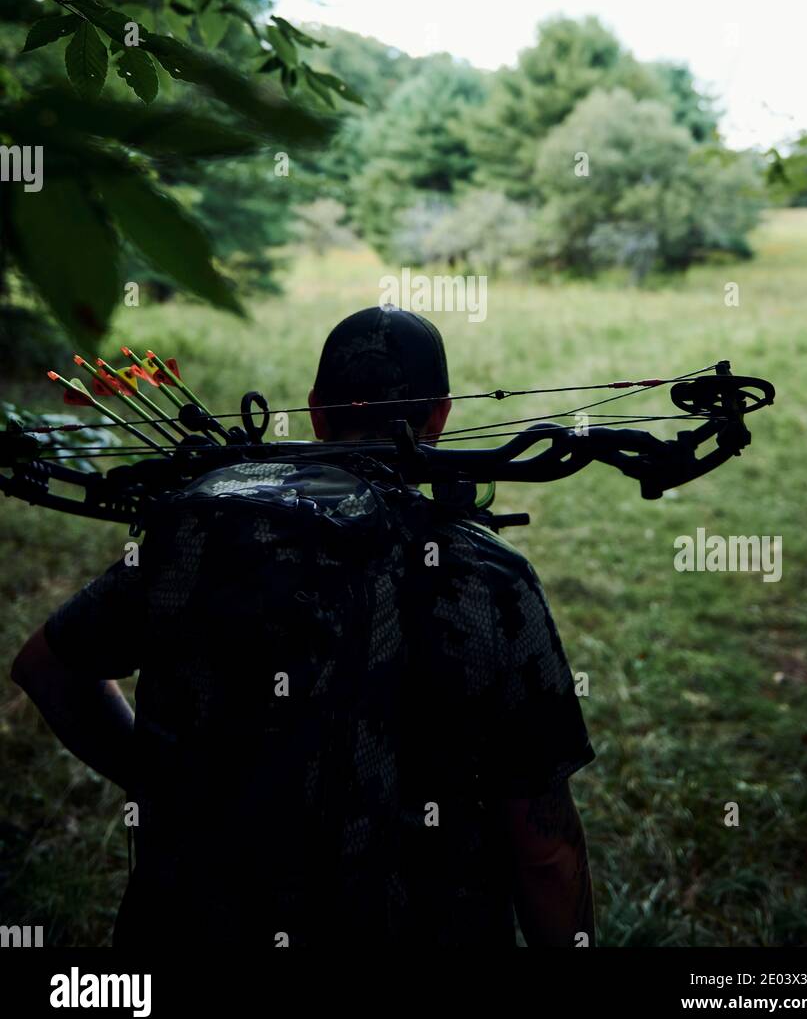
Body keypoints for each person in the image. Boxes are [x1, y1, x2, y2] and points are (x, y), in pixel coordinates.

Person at [10, 306, 595, 948]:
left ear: (316, 411)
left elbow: (47, 667)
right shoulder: (490, 578)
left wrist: (173, 786)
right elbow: (546, 854)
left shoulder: (201, 535)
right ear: (440, 416)